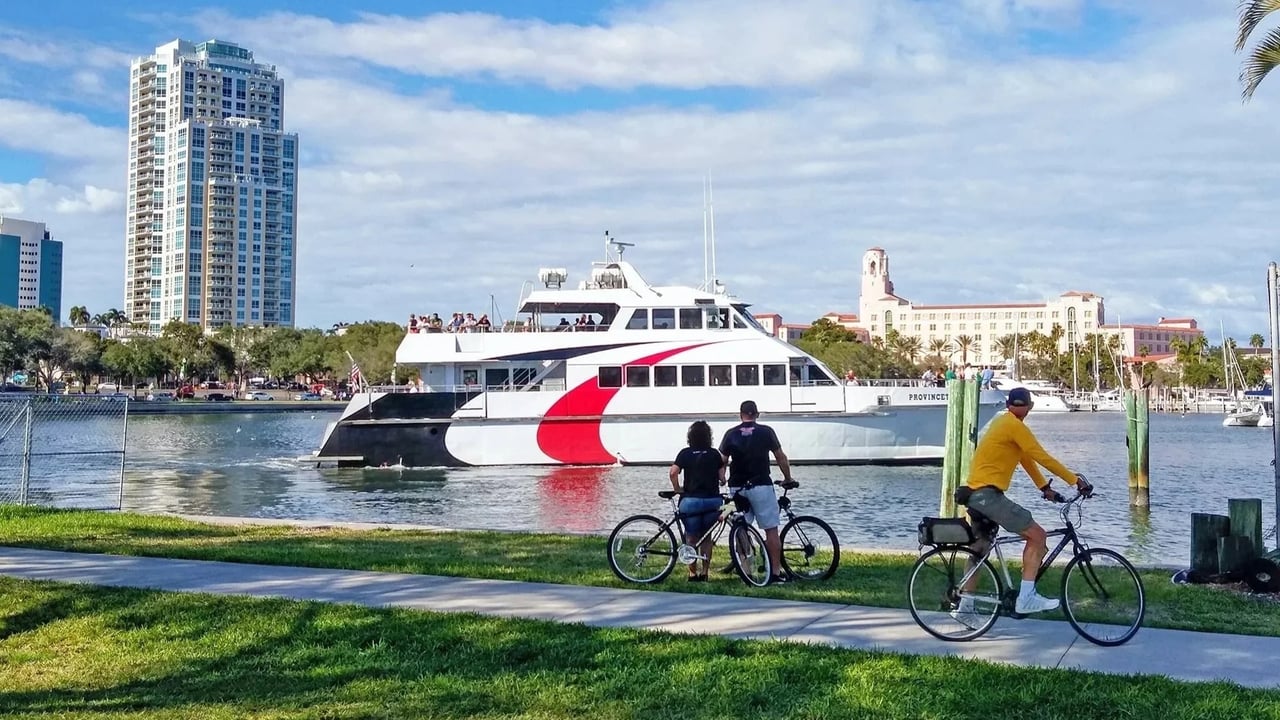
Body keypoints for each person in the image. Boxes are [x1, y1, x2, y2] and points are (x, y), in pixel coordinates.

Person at [955, 387, 1093, 621]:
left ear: (1009, 404)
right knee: (1037, 536)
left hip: (976, 495)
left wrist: (1045, 488)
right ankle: (1026, 598)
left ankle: (965, 609)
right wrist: (1074, 480)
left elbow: (1026, 459)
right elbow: (1040, 455)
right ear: (1028, 407)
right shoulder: (1015, 426)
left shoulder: (1004, 423)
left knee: (979, 552)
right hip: (988, 496)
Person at [718, 400, 792, 584]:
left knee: (741, 528)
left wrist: (722, 478)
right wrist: (788, 477)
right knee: (771, 529)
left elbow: (722, 461)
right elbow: (780, 456)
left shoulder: (730, 434)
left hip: (737, 487)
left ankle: (746, 571)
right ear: (757, 414)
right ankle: (775, 572)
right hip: (761, 486)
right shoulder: (766, 432)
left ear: (740, 414)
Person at [669, 420, 726, 581]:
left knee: (691, 537)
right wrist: (722, 479)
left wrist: (677, 489)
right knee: (706, 537)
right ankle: (705, 573)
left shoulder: (685, 453)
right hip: (712, 501)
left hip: (690, 501)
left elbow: (673, 472)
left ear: (690, 437)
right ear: (709, 437)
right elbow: (722, 478)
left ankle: (692, 573)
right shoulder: (714, 454)